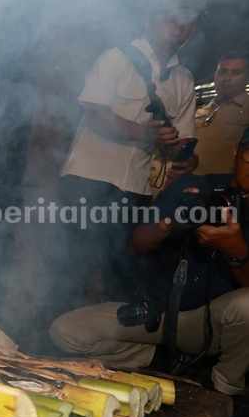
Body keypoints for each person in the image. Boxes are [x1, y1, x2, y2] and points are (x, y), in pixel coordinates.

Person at [50, 126, 249, 396]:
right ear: (236, 153)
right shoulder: (198, 187)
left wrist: (236, 251)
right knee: (67, 332)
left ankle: (225, 390)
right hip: (161, 314)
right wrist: (163, 228)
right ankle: (156, 359)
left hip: (219, 324)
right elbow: (136, 246)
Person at [55, 0, 202, 306]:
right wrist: (143, 134)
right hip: (90, 181)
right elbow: (95, 114)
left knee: (116, 274)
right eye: (172, 15)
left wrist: (184, 161)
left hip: (136, 190)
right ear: (151, 18)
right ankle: (55, 343)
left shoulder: (185, 80)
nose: (179, 24)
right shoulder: (115, 58)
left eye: (189, 20)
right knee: (75, 271)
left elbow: (186, 143)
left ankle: (102, 349)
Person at [195, 51, 249, 175]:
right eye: (222, 71)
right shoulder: (203, 109)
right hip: (189, 183)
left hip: (224, 188)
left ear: (247, 78)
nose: (227, 78)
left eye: (236, 73)